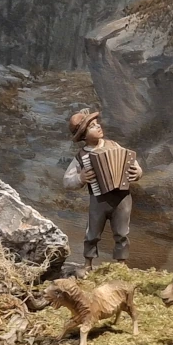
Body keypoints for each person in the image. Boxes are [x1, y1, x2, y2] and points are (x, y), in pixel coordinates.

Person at [63, 110, 143, 272]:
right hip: (98, 199)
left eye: (97, 123)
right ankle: (88, 263)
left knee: (122, 232)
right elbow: (67, 181)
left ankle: (121, 264)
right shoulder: (82, 156)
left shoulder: (113, 145)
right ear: (83, 135)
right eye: (92, 126)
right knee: (92, 233)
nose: (98, 126)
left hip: (121, 197)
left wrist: (138, 172)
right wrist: (80, 178)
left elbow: (131, 161)